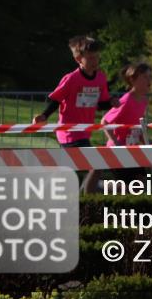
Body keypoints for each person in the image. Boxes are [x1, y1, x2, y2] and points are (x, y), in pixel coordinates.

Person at [33, 35, 113, 194]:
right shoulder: (71, 79)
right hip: (69, 132)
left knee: (73, 170)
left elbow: (100, 104)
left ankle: (51, 191)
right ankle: (89, 200)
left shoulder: (100, 78)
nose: (95, 61)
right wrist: (44, 115)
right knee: (97, 166)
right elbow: (56, 99)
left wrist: (112, 102)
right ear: (78, 59)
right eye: (90, 58)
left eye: (97, 57)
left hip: (84, 133)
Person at [101, 62, 152, 183]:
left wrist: (146, 141)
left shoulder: (144, 101)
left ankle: (100, 187)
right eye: (145, 77)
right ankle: (100, 187)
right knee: (128, 186)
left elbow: (138, 125)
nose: (149, 80)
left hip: (132, 148)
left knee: (141, 182)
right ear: (132, 80)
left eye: (150, 77)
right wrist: (116, 143)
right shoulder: (126, 100)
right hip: (118, 150)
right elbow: (105, 121)